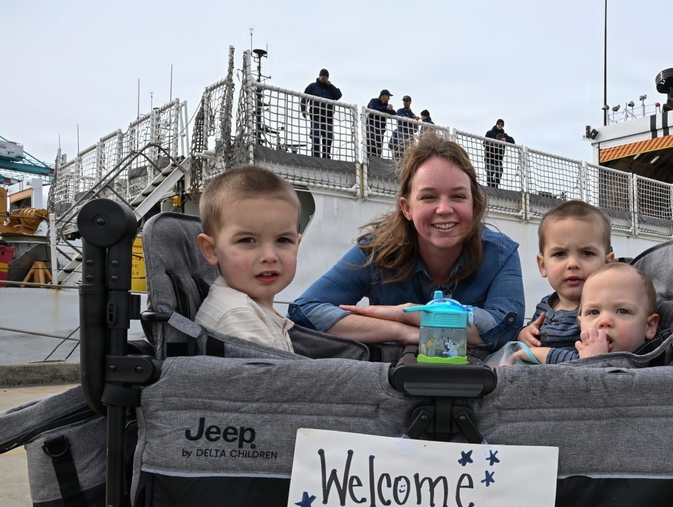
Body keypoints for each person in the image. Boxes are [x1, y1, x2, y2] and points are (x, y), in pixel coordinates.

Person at [288, 132, 524, 351]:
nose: (444, 209)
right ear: (407, 208)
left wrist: (410, 314)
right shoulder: (377, 250)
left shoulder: (501, 254)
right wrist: (403, 330)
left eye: (458, 196)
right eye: (428, 197)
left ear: (475, 204)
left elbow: (504, 329)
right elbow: (306, 311)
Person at [194, 165, 302, 352]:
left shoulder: (251, 308)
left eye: (283, 240)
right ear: (211, 250)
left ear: (297, 245)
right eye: (248, 240)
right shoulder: (238, 316)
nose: (269, 256)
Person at [516, 201, 614, 363]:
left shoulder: (605, 312)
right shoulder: (544, 306)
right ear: (543, 265)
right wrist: (524, 334)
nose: (573, 263)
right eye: (560, 254)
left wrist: (545, 355)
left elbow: (598, 362)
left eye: (587, 253)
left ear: (608, 263)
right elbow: (529, 339)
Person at [575, 262, 660, 358]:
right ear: (580, 325)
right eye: (594, 312)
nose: (604, 321)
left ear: (649, 326)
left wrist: (593, 361)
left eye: (622, 311)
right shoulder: (568, 360)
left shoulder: (658, 367)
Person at [301, 69, 342, 159]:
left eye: (325, 76)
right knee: (316, 135)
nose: (323, 78)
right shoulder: (312, 86)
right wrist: (303, 109)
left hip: (328, 116)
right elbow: (304, 97)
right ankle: (315, 156)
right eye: (322, 76)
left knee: (328, 137)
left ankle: (326, 156)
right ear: (319, 76)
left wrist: (330, 85)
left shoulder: (330, 88)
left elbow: (338, 95)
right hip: (316, 115)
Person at [484, 119, 514, 188]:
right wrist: (490, 142)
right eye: (499, 124)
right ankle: (490, 188)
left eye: (502, 125)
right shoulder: (489, 133)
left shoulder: (504, 135)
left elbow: (512, 141)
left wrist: (505, 140)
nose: (500, 125)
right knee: (489, 174)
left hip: (498, 158)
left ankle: (495, 187)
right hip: (489, 157)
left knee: (499, 172)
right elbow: (484, 143)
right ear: (496, 124)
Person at [366, 89, 395, 158]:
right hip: (371, 129)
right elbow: (373, 108)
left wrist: (389, 109)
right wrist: (386, 109)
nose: (389, 98)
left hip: (380, 132)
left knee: (378, 150)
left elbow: (394, 113)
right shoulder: (374, 101)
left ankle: (375, 164)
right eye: (388, 96)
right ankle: (367, 163)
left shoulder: (386, 105)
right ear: (384, 95)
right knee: (370, 148)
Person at [389, 95, 418, 159]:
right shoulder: (400, 111)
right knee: (401, 151)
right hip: (401, 134)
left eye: (406, 101)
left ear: (410, 102)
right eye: (404, 101)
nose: (405, 102)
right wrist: (413, 120)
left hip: (409, 136)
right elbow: (403, 117)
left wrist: (416, 123)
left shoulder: (412, 114)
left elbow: (415, 130)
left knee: (410, 154)